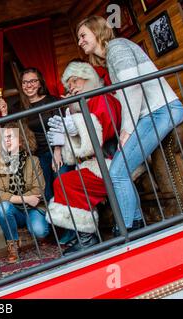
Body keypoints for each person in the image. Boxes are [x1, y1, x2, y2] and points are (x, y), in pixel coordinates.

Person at [76, 16, 183, 235]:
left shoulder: (118, 49)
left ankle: (126, 229)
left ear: (97, 32)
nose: (80, 42)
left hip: (161, 110)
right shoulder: (112, 54)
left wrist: (127, 129)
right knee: (118, 170)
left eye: (83, 35)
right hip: (151, 115)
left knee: (117, 171)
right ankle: (133, 224)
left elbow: (132, 89)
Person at [45, 61, 122, 254]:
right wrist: (71, 117)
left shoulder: (101, 98)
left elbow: (101, 135)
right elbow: (79, 152)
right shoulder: (88, 102)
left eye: (74, 81)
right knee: (64, 181)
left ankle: (88, 239)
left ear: (88, 77)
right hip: (99, 162)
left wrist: (74, 123)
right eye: (68, 85)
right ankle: (86, 236)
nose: (71, 87)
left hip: (114, 161)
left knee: (66, 183)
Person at [0, 68, 74, 204]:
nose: (29, 85)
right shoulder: (19, 107)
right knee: (47, 193)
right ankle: (56, 223)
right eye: (25, 82)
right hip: (37, 156)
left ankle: (73, 219)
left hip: (60, 149)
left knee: (63, 184)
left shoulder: (52, 100)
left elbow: (61, 126)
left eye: (33, 81)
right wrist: (4, 114)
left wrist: (57, 152)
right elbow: (10, 132)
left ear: (40, 83)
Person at [0, 122, 49, 263]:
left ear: (21, 139)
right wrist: (26, 199)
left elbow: (38, 189)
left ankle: (38, 232)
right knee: (3, 208)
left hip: (34, 208)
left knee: (40, 231)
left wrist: (25, 199)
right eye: (4, 138)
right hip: (15, 210)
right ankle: (13, 246)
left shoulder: (33, 161)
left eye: (10, 136)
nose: (7, 141)